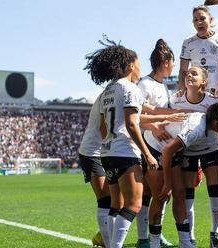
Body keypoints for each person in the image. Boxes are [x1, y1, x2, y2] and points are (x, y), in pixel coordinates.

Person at [85, 40, 158, 248]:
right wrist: (148, 155)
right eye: (138, 66)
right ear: (130, 66)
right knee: (133, 204)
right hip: (125, 152)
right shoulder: (130, 88)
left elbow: (102, 127)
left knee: (115, 206)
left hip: (107, 153)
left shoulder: (108, 90)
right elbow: (132, 125)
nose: (139, 70)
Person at [170, 66, 218, 247]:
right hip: (188, 151)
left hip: (210, 149)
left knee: (214, 190)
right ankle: (190, 236)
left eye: (194, 73)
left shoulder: (214, 101)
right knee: (188, 194)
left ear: (204, 81)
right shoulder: (175, 100)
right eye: (187, 73)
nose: (188, 75)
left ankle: (214, 234)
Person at [136, 39, 176, 248]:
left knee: (152, 194)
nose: (174, 66)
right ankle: (147, 238)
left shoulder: (163, 84)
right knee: (159, 194)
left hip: (162, 146)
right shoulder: (144, 84)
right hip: (149, 146)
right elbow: (136, 113)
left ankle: (151, 234)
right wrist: (154, 128)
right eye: (173, 62)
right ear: (167, 62)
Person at [78, 93, 111, 248]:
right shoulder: (111, 92)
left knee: (122, 200)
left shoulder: (122, 89)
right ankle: (106, 241)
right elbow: (104, 126)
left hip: (107, 151)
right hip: (94, 152)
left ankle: (104, 236)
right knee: (105, 198)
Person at [178, 4, 218, 97]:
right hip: (195, 94)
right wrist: (183, 90)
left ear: (210, 20)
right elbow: (182, 70)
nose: (199, 22)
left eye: (202, 19)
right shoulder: (188, 42)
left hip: (216, 94)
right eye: (196, 20)